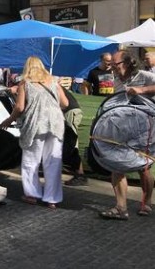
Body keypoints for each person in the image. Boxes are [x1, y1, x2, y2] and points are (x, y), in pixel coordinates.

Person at [1, 56, 68, 209]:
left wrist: (8, 120)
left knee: (31, 160)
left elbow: (19, 108)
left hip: (36, 124)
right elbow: (65, 103)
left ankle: (32, 194)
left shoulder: (25, 83)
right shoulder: (53, 81)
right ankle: (52, 198)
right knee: (53, 162)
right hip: (56, 124)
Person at [99, 50, 155, 220]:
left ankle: (147, 202)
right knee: (116, 164)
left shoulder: (144, 75)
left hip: (144, 129)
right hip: (122, 127)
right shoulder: (116, 79)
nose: (112, 68)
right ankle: (121, 207)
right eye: (111, 65)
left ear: (129, 62)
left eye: (115, 65)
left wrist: (141, 89)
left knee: (143, 168)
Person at [60, 85, 87, 186]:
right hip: (71, 111)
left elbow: (63, 103)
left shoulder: (50, 83)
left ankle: (80, 174)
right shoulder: (50, 82)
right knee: (70, 143)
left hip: (70, 112)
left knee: (71, 144)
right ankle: (79, 174)